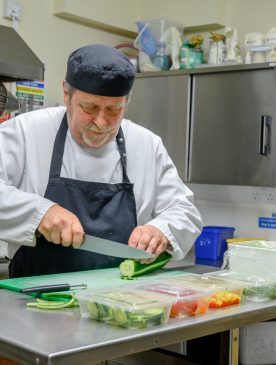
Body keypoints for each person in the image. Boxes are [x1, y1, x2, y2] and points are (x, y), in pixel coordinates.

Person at [0, 44, 203, 278]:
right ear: (66, 94)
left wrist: (161, 230)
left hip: (120, 297)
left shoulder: (146, 144)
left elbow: (185, 210)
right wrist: (39, 213)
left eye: (114, 110)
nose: (101, 122)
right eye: (89, 107)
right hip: (35, 293)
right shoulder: (26, 132)